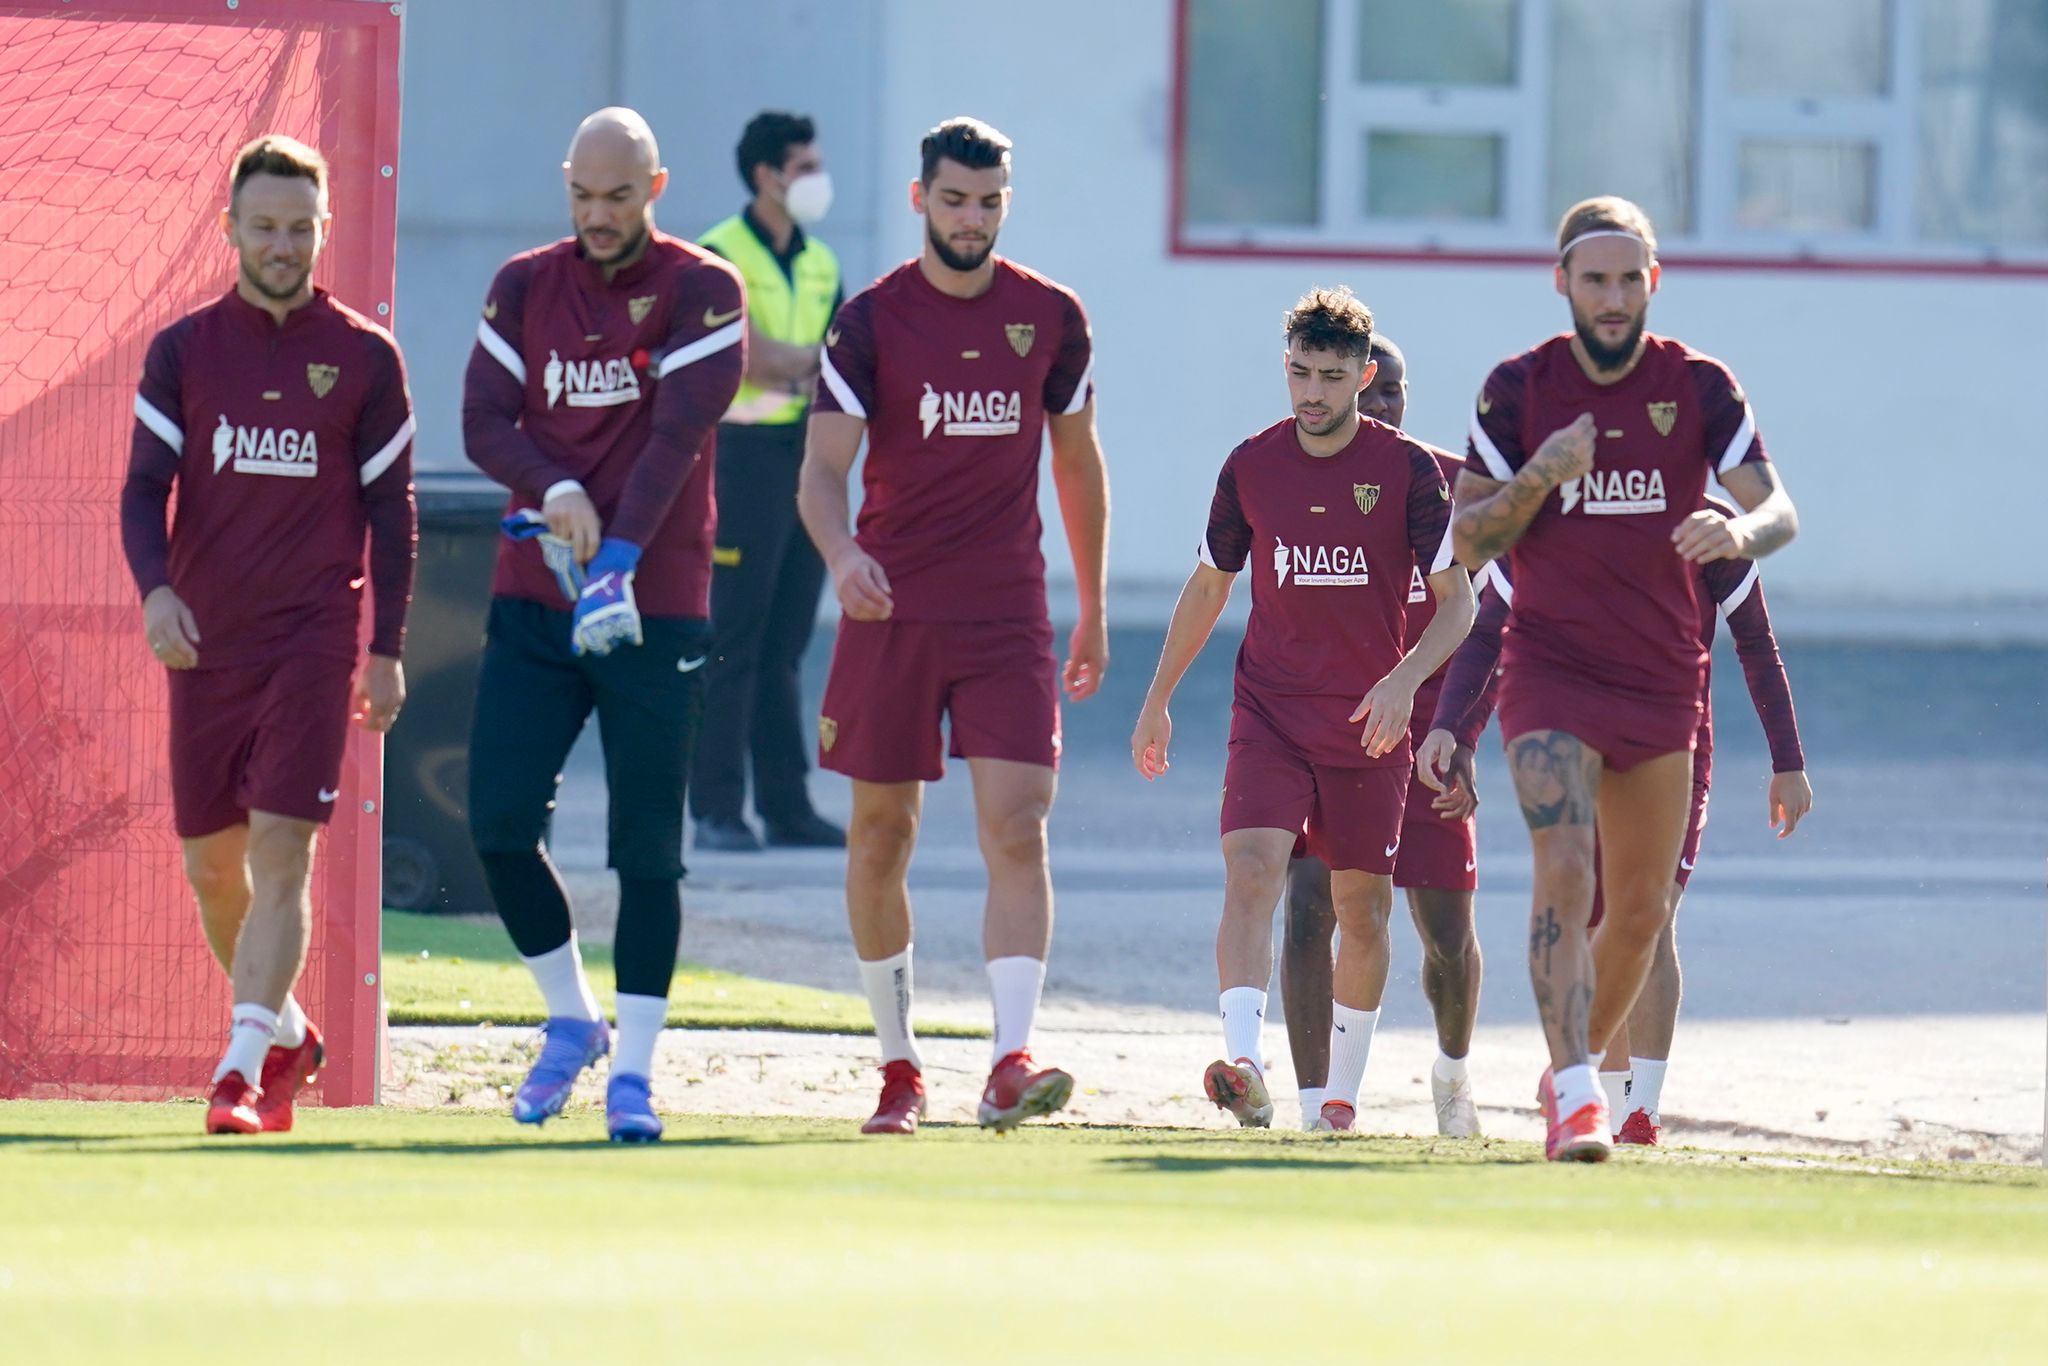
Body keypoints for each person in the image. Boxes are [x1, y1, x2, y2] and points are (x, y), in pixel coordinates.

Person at [1453, 195, 1800, 1161]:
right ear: (1561, 282)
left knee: (1642, 910)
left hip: (1662, 683)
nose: (1611, 296)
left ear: (1654, 281)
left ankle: (1571, 1062)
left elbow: (1779, 510)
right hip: (1552, 672)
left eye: (1627, 278)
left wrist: (1738, 530)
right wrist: (1539, 477)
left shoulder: (1698, 386)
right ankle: (1575, 1096)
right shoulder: (1518, 390)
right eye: (1592, 278)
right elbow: (1467, 533)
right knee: (1566, 872)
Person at [799, 116, 1109, 1135]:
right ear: (918, 199)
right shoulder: (869, 322)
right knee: (881, 834)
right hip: (891, 610)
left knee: (1018, 826)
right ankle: (897, 1069)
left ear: (1002, 204)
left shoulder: (1050, 317)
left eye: (986, 202)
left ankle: (1009, 1061)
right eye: (952, 200)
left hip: (1007, 614)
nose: (969, 219)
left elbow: (1076, 463)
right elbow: (820, 474)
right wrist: (843, 557)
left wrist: (1094, 606)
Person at [120, 134, 417, 1135]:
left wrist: (385, 646)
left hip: (314, 637)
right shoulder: (184, 351)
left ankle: (239, 1071)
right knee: (215, 870)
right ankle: (286, 1032)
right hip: (208, 643)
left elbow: (393, 513)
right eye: (265, 226)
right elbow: (141, 492)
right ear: (231, 230)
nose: (283, 244)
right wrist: (157, 591)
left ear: (324, 227)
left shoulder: (367, 358)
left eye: (300, 227)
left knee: (284, 845)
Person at [461, 108, 746, 1143]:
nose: (596, 214)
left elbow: (675, 439)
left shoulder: (704, 288)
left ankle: (633, 1071)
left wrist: (617, 558)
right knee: (494, 819)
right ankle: (568, 1019)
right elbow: (483, 418)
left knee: (646, 851)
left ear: (656, 187)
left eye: (618, 195)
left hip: (654, 603)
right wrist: (557, 486)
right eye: (581, 193)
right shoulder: (524, 284)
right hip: (534, 595)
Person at [1131, 288, 1473, 1131]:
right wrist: (1157, 698)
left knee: (1363, 909)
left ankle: (1338, 1102)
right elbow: (1210, 583)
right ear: (1284, 370)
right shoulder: (1251, 464)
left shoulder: (1407, 472)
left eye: (1331, 375)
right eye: (1300, 373)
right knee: (1251, 870)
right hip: (1271, 710)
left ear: (1363, 375)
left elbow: (1458, 606)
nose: (1313, 393)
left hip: (1367, 722)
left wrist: (1403, 682)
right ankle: (1244, 1060)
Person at [1422, 501, 1812, 1146]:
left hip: (1672, 740)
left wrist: (1788, 761)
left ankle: (1642, 1115)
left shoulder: (1709, 526)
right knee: (1588, 912)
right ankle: (1588, 1096)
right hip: (1571, 731)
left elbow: (1754, 642)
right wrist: (1452, 731)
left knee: (1649, 914)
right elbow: (1491, 632)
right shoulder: (1549, 518)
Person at [1278, 334, 1484, 1136]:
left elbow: (1493, 624)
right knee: (1308, 910)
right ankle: (1315, 1104)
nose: (1383, 405)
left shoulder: (1457, 489)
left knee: (1445, 937)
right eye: (1375, 390)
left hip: (1429, 734)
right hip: (1333, 726)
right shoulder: (1290, 471)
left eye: (1394, 390)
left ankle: (1453, 1074)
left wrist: (1462, 735)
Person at [691, 111, 845, 852]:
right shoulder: (718, 255)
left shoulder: (820, 261)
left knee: (784, 643)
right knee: (731, 639)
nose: (817, 179)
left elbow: (842, 361)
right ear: (766, 177)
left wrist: (796, 358)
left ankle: (786, 806)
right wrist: (800, 359)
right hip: (737, 457)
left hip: (805, 454)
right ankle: (717, 808)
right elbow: (739, 353)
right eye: (805, 166)